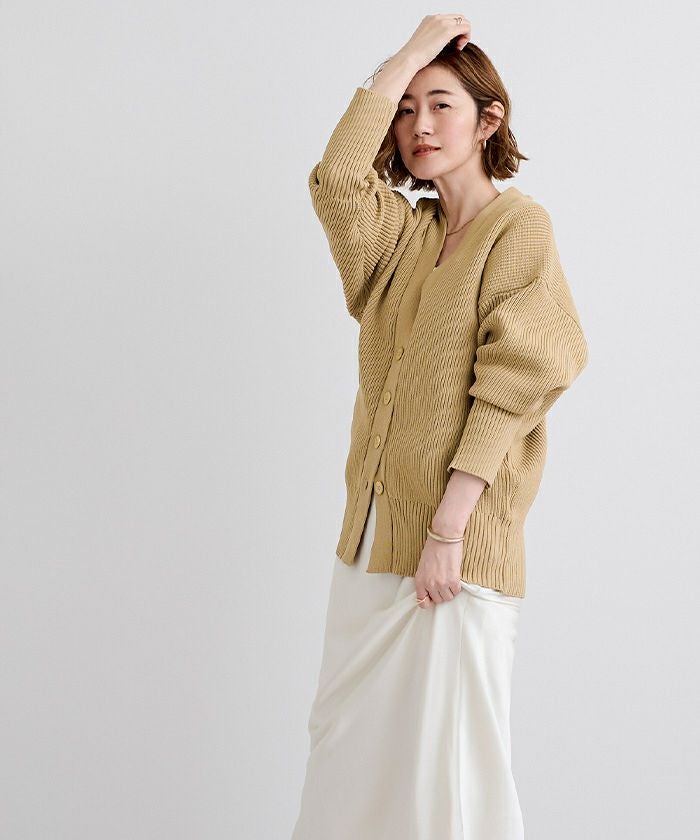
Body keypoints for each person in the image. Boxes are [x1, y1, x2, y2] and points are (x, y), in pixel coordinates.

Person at [291, 14, 588, 840]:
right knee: (346, 767)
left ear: (489, 120)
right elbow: (336, 180)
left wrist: (448, 531)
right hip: (371, 547)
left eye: (441, 105)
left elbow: (521, 378)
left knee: (451, 777)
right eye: (405, 109)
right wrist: (410, 54)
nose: (418, 125)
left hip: (452, 555)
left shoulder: (519, 229)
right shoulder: (399, 238)